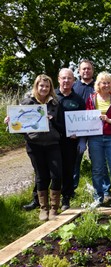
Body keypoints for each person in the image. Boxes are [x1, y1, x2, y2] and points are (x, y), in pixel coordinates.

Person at [4, 75, 64, 220]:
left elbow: (62, 126)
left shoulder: (55, 104)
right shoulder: (27, 102)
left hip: (52, 144)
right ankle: (44, 209)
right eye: (41, 86)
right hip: (34, 145)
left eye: (47, 86)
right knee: (41, 176)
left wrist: (52, 121)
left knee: (56, 175)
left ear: (50, 88)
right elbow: (19, 125)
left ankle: (54, 208)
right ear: (36, 87)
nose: (44, 88)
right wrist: (11, 122)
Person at [86, 71, 111, 205]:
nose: (106, 85)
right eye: (104, 82)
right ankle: (99, 197)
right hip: (95, 138)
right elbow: (85, 117)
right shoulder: (91, 98)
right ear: (98, 84)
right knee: (98, 168)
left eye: (109, 82)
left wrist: (109, 120)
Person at [72, 59, 110, 193]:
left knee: (99, 160)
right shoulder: (74, 86)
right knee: (75, 160)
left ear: (92, 71)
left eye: (89, 68)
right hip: (78, 129)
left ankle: (105, 190)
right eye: (84, 69)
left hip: (97, 129)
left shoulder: (100, 85)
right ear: (79, 71)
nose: (86, 71)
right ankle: (72, 190)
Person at [55, 68, 86, 211]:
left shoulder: (78, 100)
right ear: (58, 79)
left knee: (68, 169)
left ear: (74, 81)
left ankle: (66, 197)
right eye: (63, 78)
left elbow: (83, 120)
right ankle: (45, 197)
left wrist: (80, 136)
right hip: (53, 141)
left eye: (69, 78)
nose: (66, 81)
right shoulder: (51, 97)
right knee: (53, 170)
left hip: (70, 141)